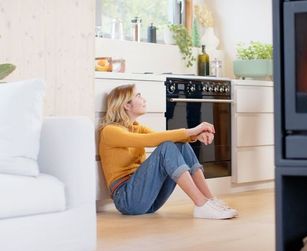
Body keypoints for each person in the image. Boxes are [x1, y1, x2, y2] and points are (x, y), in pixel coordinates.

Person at [98, 84, 238, 219]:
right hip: (127, 199)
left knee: (178, 144)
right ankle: (201, 204)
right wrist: (193, 130)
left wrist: (196, 135)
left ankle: (210, 200)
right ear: (126, 105)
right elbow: (150, 140)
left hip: (149, 200)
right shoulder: (110, 131)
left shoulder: (136, 127)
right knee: (167, 146)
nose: (143, 99)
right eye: (138, 96)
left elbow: (166, 137)